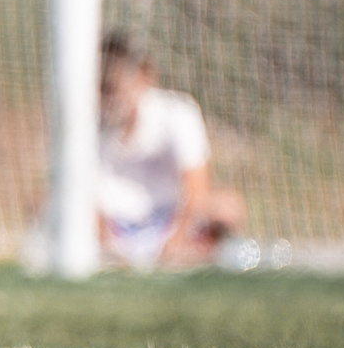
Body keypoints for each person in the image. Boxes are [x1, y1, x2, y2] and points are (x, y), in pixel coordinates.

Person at [97, 30, 251, 270]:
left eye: (115, 86)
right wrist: (111, 246)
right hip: (117, 227)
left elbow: (197, 192)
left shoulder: (178, 114)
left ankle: (191, 254)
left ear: (144, 77)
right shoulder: (87, 124)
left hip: (168, 222)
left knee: (228, 207)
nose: (112, 98)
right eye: (105, 88)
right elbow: (84, 198)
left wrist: (174, 242)